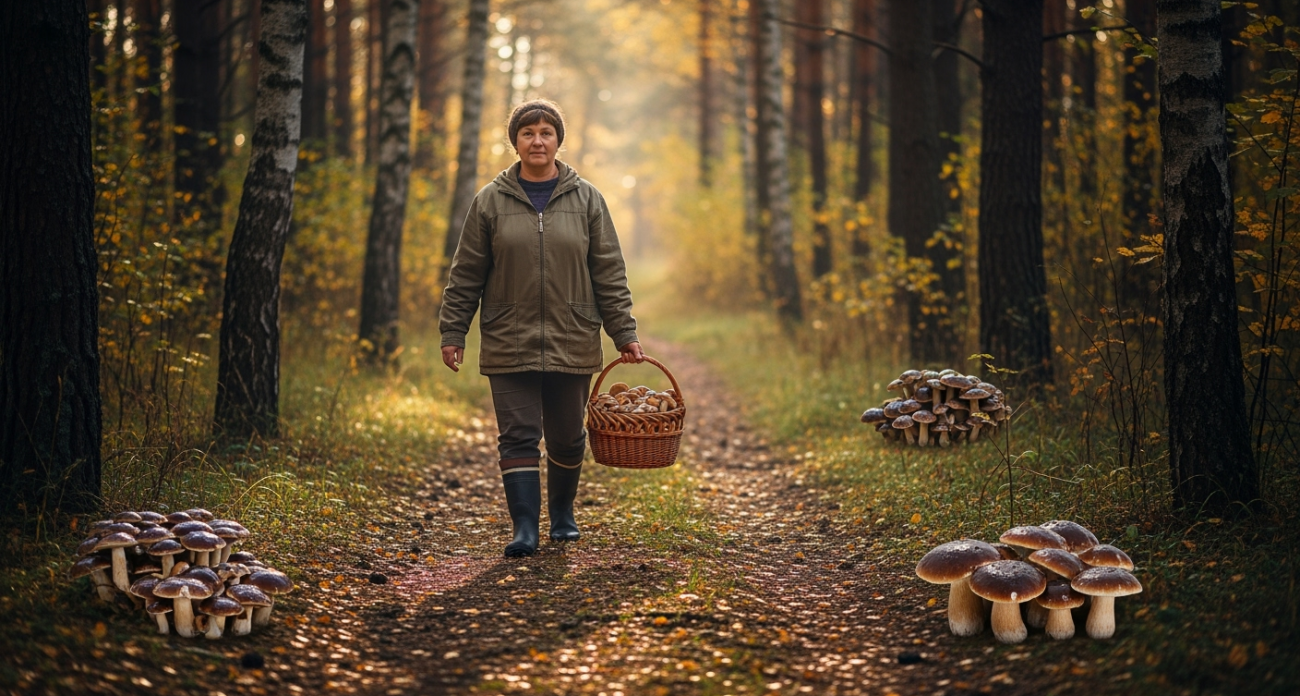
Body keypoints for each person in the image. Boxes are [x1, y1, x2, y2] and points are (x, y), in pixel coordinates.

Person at [439, 99, 643, 558]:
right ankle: (525, 528)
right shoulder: (489, 201)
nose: (537, 140)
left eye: (545, 132)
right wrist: (453, 332)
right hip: (507, 336)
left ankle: (564, 515)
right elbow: (466, 272)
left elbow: (608, 269)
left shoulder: (587, 198)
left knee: (569, 434)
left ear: (557, 140)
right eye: (528, 132)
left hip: (573, 334)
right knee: (518, 434)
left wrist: (624, 332)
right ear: (515, 141)